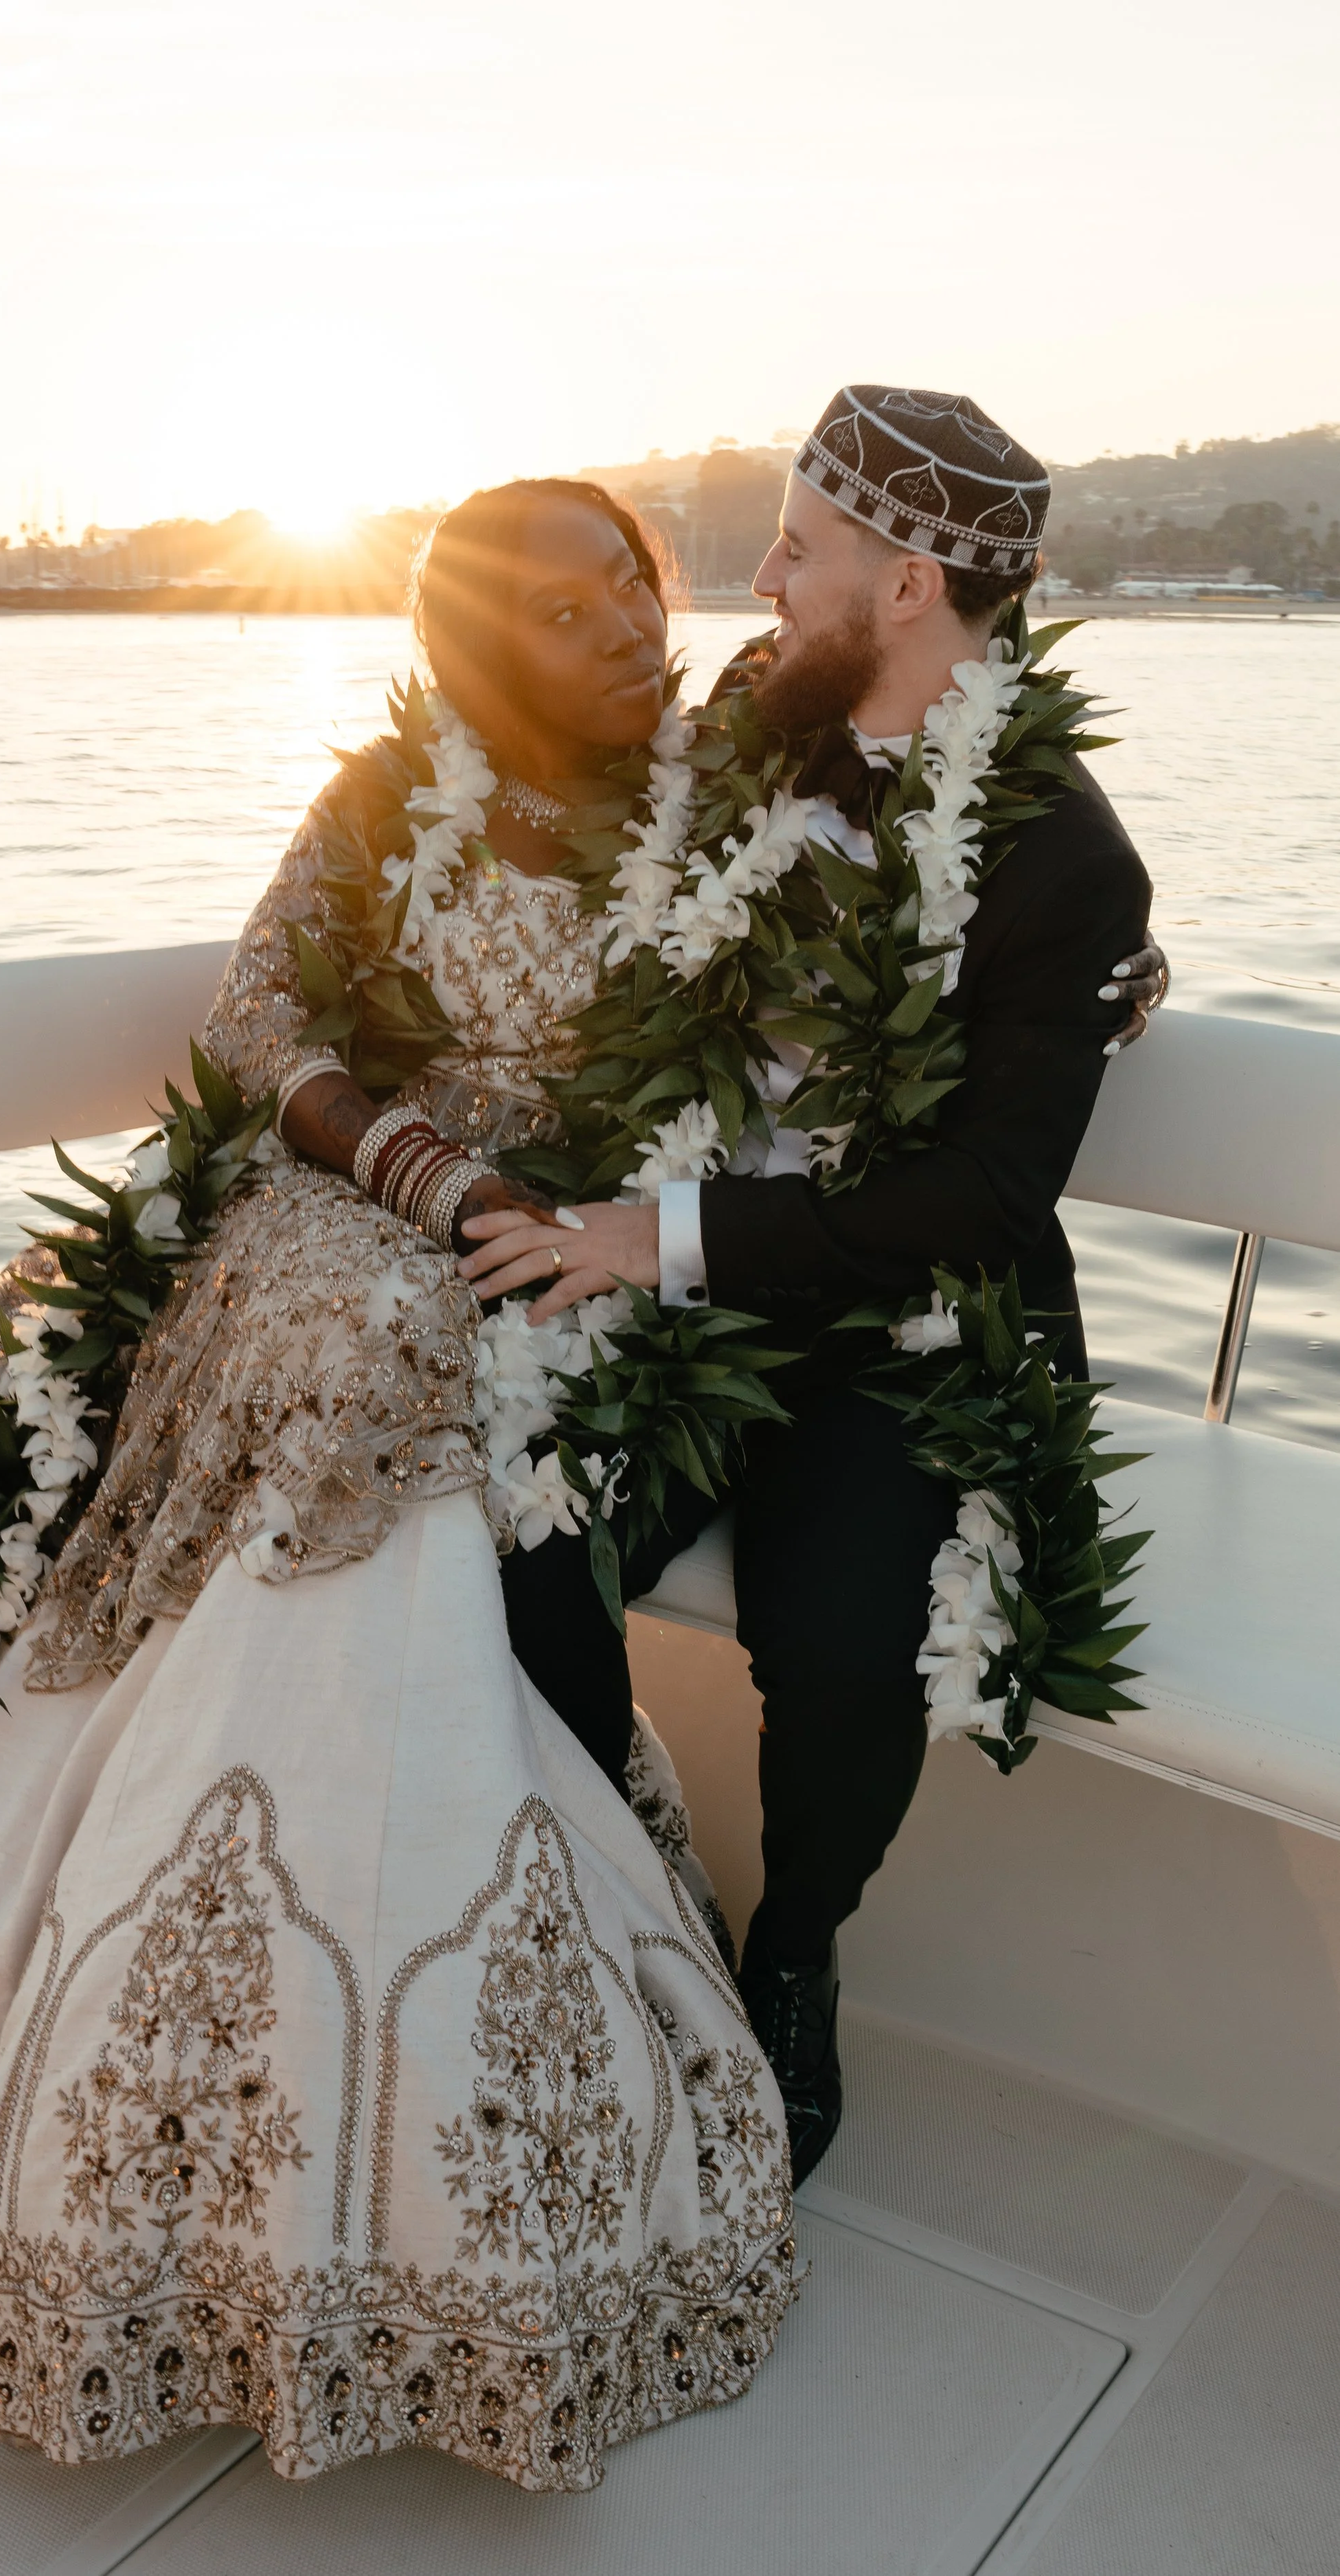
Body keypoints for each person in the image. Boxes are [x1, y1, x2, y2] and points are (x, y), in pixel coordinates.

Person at [0, 479, 799, 2493]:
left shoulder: (734, 803)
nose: (623, 623)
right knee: (57, 1354)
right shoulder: (389, 796)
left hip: (590, 1257)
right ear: (479, 654)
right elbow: (257, 1017)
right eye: (562, 608)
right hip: (361, 1200)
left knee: (374, 1359)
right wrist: (415, 1167)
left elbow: (895, 914)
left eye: (630, 581)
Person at [464, 389, 1160, 2188]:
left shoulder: (1069, 864)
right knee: (515, 1534)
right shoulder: (741, 728)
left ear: (907, 585)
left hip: (898, 1323)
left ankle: (792, 1953)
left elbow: (981, 1200)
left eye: (797, 548)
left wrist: (662, 1236)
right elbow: (551, 815)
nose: (760, 578)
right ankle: (625, 1903)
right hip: (676, 1278)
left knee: (839, 1636)